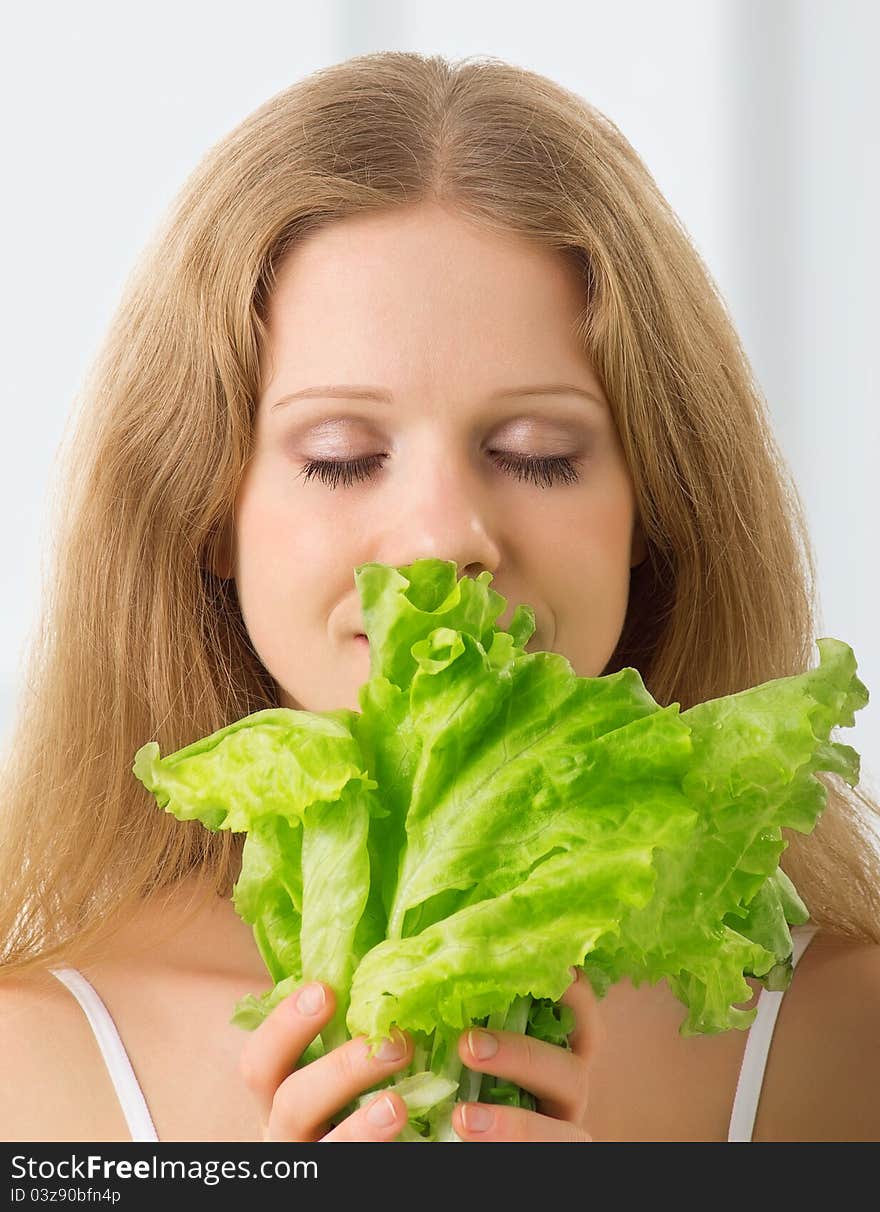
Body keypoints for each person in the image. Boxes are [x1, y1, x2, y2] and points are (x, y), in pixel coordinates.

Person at [1, 50, 879, 1144]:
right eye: (339, 456)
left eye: (536, 453)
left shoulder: (845, 1042)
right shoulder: (32, 1059)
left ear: (652, 511)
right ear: (206, 515)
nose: (442, 540)